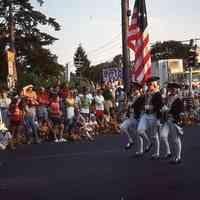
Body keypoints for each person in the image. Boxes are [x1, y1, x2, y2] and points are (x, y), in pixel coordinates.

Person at [136, 77, 163, 159]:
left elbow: (159, 106)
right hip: (145, 115)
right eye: (148, 84)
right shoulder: (146, 93)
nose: (148, 86)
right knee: (140, 130)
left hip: (153, 115)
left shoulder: (158, 94)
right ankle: (148, 142)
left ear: (154, 85)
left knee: (154, 136)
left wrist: (158, 118)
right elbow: (139, 102)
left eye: (150, 84)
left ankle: (157, 153)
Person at [160, 83, 184, 164]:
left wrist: (169, 110)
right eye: (171, 88)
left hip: (174, 120)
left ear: (177, 90)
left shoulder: (179, 99)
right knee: (163, 135)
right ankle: (168, 151)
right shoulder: (168, 97)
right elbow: (164, 105)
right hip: (167, 120)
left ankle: (178, 157)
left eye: (174, 88)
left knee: (175, 140)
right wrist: (163, 110)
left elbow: (180, 111)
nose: (173, 90)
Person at [120, 82, 144, 150]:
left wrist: (131, 105)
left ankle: (140, 150)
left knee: (138, 135)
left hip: (136, 117)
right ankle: (130, 140)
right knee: (122, 127)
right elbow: (127, 106)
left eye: (135, 88)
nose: (133, 90)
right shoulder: (131, 96)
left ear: (139, 89)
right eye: (133, 88)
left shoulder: (141, 97)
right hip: (130, 117)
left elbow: (140, 108)